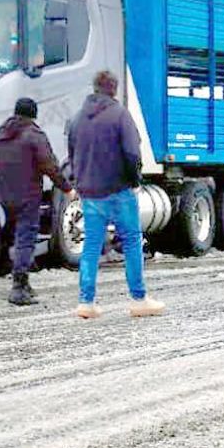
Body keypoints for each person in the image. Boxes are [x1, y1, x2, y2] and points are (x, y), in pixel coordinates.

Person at [67, 70, 165, 318]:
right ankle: (138, 299)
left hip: (90, 192)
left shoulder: (78, 118)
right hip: (119, 190)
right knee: (132, 241)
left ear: (95, 87)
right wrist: (135, 181)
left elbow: (71, 154)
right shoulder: (120, 115)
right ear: (113, 88)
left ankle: (86, 303)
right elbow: (132, 152)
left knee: (91, 245)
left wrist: (78, 182)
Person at [0, 97, 76, 306]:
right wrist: (67, 188)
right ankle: (18, 288)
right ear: (33, 114)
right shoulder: (35, 136)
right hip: (28, 196)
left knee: (11, 235)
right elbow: (50, 166)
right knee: (25, 240)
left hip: (5, 196)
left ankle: (20, 279)